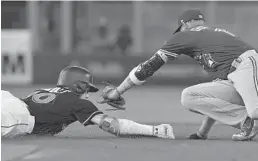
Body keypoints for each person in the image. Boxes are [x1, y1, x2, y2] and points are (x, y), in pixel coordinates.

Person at [99, 9, 258, 141]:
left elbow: (148, 67)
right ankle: (245, 122)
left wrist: (117, 91)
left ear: (185, 24)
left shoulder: (185, 35)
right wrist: (202, 133)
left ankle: (251, 118)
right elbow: (216, 103)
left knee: (255, 111)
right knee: (189, 96)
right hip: (236, 74)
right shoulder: (212, 43)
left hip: (247, 65)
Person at [1, 66, 175, 139]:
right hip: (19, 115)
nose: (87, 95)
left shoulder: (45, 91)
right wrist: (155, 130)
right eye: (87, 90)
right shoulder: (77, 103)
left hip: (10, 99)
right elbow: (111, 125)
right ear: (78, 86)